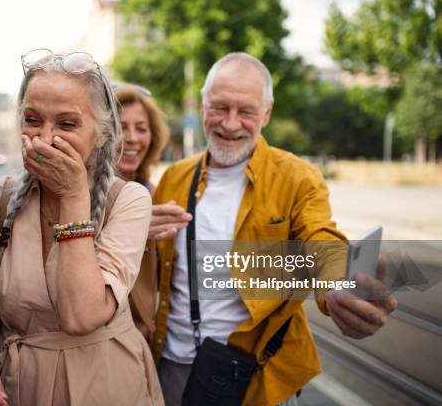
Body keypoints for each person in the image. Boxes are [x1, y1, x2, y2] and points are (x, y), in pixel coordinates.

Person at [151, 52, 398, 405]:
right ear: (203, 106)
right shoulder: (175, 177)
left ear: (266, 114)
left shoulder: (298, 177)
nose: (231, 124)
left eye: (247, 111)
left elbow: (319, 235)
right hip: (173, 366)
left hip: (258, 374)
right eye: (220, 107)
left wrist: (336, 285)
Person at [0, 49, 164, 406]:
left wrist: (72, 196)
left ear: (101, 133)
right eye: (33, 120)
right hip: (19, 386)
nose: (45, 139)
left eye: (67, 125)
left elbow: (82, 315)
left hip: (105, 384)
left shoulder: (127, 200)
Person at [114, 83, 171, 342]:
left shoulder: (157, 194)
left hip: (142, 341)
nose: (133, 138)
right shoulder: (81, 193)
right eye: (121, 127)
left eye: (141, 128)